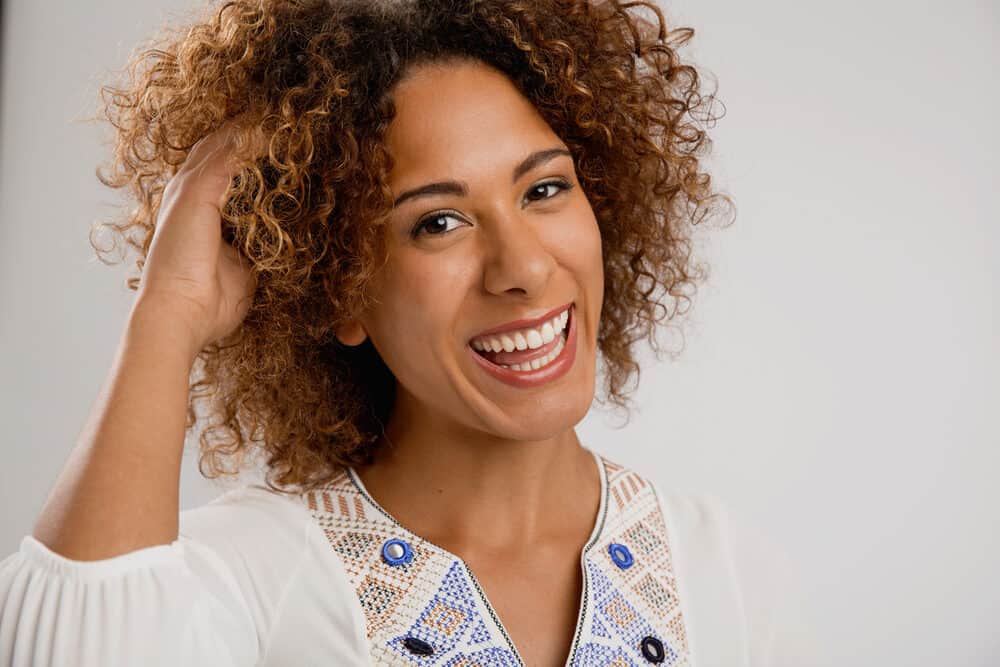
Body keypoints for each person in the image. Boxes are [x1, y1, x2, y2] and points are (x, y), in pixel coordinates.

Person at [0, 0, 808, 665]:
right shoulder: (252, 574)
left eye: (545, 188)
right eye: (439, 222)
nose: (521, 266)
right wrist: (168, 312)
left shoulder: (726, 573)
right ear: (339, 287)